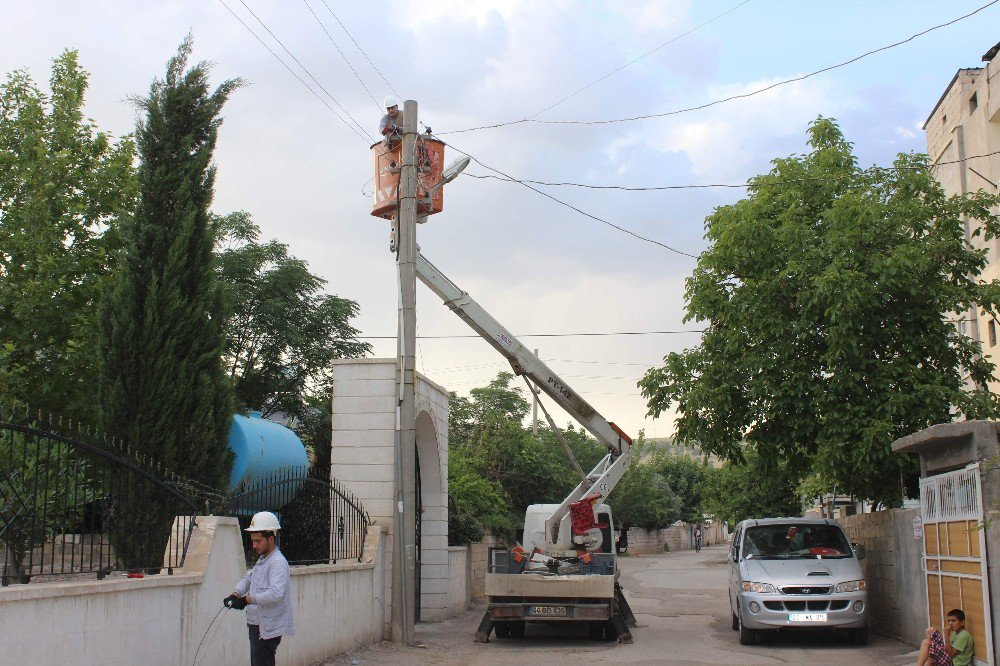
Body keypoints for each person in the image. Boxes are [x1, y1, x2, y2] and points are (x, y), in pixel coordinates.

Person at [225, 511, 295, 666]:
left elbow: (276, 593)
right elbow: (249, 578)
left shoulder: (277, 562)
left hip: (267, 628)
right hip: (258, 626)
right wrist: (235, 594)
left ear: (270, 539)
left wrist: (247, 599)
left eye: (258, 541)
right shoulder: (263, 559)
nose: (254, 545)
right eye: (253, 541)